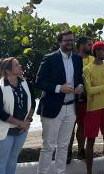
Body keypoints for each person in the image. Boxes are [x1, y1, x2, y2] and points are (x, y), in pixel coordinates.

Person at [36, 30, 84, 174]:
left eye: (71, 40)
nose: (69, 43)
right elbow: (39, 82)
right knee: (48, 146)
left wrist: (80, 86)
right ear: (59, 42)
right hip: (52, 108)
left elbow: (79, 79)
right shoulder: (50, 58)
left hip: (71, 108)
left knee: (64, 145)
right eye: (66, 40)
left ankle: (60, 172)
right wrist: (59, 88)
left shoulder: (77, 59)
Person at [0, 57, 35, 174]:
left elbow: (32, 103)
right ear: (7, 71)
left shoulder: (25, 82)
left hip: (21, 130)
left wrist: (27, 121)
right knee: (0, 164)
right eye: (16, 65)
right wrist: (19, 123)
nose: (20, 66)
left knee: (12, 160)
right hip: (2, 131)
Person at [83, 41, 104, 174]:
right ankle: (89, 172)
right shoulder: (87, 69)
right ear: (97, 52)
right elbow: (89, 91)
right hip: (92, 109)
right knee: (90, 140)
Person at [67, 36, 94, 163]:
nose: (91, 47)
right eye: (89, 45)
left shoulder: (93, 60)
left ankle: (81, 150)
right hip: (71, 98)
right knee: (69, 126)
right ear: (81, 45)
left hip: (86, 99)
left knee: (82, 126)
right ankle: (67, 151)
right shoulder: (70, 59)